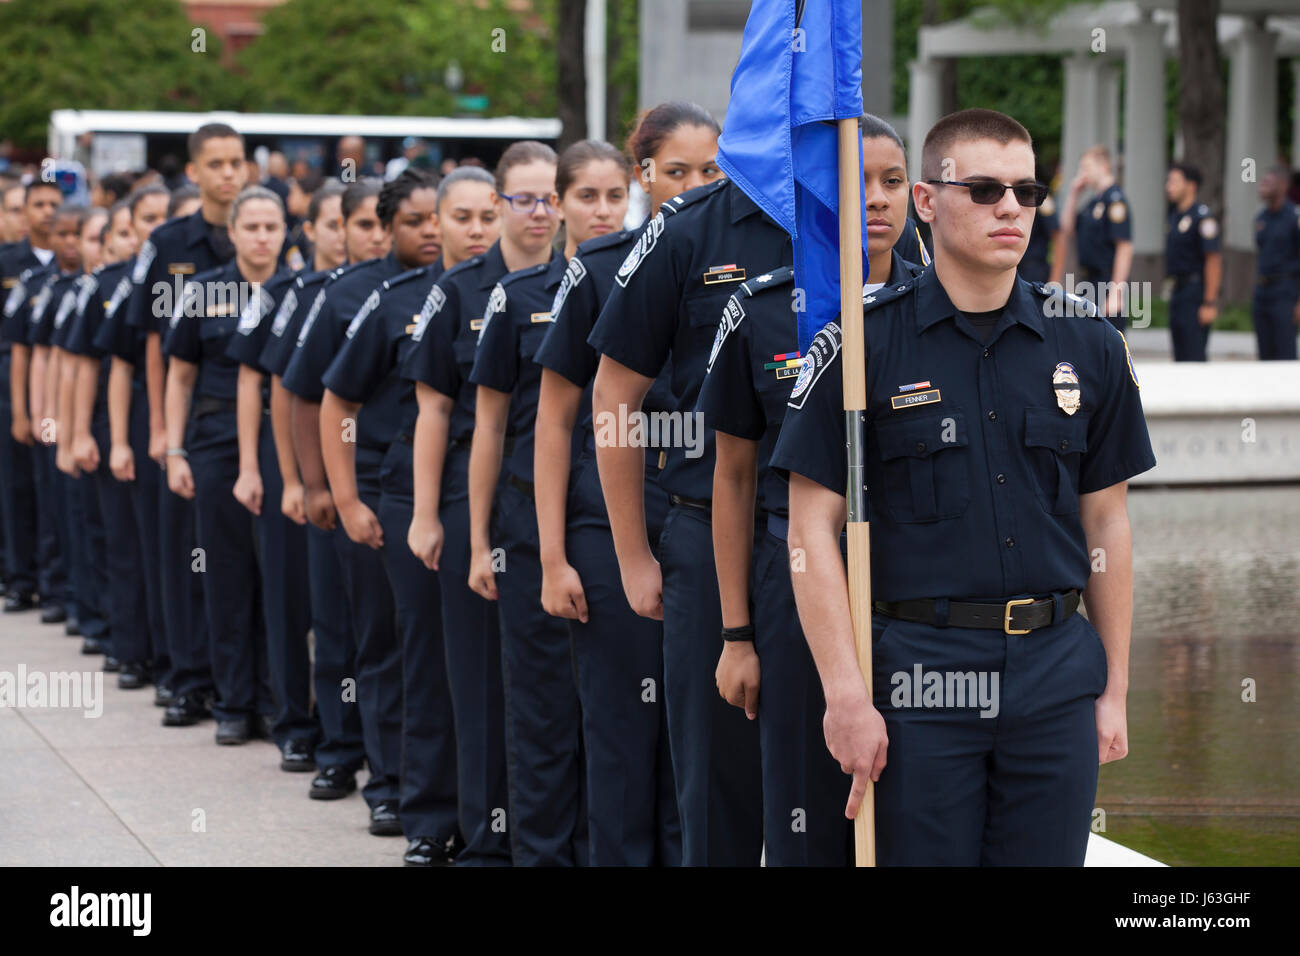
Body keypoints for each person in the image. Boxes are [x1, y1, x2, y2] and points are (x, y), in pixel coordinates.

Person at [772, 108, 1154, 866]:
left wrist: (1113, 688)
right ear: (924, 200)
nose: (1010, 208)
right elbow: (809, 530)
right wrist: (847, 694)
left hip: (1054, 677)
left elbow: (1107, 527)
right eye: (982, 189)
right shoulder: (859, 345)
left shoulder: (1088, 343)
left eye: (1026, 191)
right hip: (921, 678)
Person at [696, 116, 928, 867]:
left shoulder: (943, 311)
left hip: (918, 589)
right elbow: (731, 480)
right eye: (855, 182)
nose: (877, 199)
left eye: (892, 180)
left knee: (918, 807)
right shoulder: (763, 311)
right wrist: (736, 635)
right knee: (807, 808)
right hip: (795, 581)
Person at [588, 119, 795, 867]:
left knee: (841, 775)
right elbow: (615, 394)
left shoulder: (860, 223)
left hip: (833, 541)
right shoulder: (688, 230)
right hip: (710, 536)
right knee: (716, 786)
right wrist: (634, 553)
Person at [533, 103, 722, 865]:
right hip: (615, 531)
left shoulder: (746, 266)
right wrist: (551, 557)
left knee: (699, 748)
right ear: (643, 176)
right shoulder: (605, 267)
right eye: (675, 171)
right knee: (619, 739)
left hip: (710, 529)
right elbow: (555, 422)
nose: (693, 186)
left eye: (710, 170)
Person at [322, 166, 497, 866]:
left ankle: (496, 818)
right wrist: (344, 499)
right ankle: (425, 813)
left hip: (502, 500)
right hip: (417, 499)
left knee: (493, 670)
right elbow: (334, 400)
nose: (464, 230)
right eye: (450, 218)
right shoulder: (398, 302)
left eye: (487, 215)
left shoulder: (536, 292)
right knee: (423, 660)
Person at [400, 143, 563, 865]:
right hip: (476, 491)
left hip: (551, 499)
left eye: (549, 196)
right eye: (524, 198)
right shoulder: (462, 289)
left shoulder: (587, 282)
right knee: (474, 675)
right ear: (500, 203)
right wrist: (427, 513)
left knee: (540, 686)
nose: (540, 211)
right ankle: (477, 833)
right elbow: (435, 411)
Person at [468, 141, 628, 867]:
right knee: (540, 716)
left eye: (615, 196)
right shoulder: (521, 294)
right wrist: (479, 541)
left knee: (613, 724)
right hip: (534, 531)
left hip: (614, 532)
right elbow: (491, 428)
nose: (602, 211)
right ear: (557, 204)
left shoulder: (648, 290)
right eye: (586, 197)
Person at [283, 177, 407, 836]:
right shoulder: (345, 297)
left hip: (428, 489)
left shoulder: (455, 288)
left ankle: (412, 776)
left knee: (407, 648)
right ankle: (359, 762)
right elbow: (305, 395)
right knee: (358, 634)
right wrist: (318, 484)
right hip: (360, 480)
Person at [256, 180, 376, 804]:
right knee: (333, 622)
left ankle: (391, 764)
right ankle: (336, 747)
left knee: (388, 639)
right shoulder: (321, 297)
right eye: (351, 224)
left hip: (399, 481)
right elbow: (293, 393)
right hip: (338, 479)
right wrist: (308, 482)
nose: (370, 236)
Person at [128, 123, 246, 729]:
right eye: (217, 163)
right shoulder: (170, 242)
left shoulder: (265, 232)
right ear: (195, 172)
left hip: (251, 426)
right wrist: (159, 432)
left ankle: (246, 686)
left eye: (237, 162)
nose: (229, 173)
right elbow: (155, 345)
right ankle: (187, 678)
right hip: (194, 422)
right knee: (189, 556)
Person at [162, 185, 288, 746]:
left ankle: (278, 702)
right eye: (252, 227)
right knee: (227, 572)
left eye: (272, 227)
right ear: (231, 233)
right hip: (215, 442)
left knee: (281, 579)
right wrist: (173, 449)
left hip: (281, 439)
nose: (263, 237)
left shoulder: (300, 290)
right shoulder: (203, 293)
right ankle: (234, 701)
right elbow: (181, 374)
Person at [65, 202, 150, 681]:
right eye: (119, 232)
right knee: (119, 538)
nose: (129, 239)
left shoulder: (174, 282)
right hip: (108, 419)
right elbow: (80, 364)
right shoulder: (103, 286)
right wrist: (75, 433)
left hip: (155, 422)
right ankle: (127, 643)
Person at [101, 184, 177, 703]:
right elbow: (120, 365)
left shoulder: (185, 278)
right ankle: (134, 649)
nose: (152, 229)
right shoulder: (130, 287)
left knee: (178, 555)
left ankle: (173, 658)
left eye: (160, 218)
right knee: (138, 544)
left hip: (188, 423)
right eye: (141, 221)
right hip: (145, 418)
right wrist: (126, 439)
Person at [1, 181, 62, 617]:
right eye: (37, 205)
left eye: (53, 205)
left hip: (58, 392)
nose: (45, 212)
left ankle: (51, 576)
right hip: (12, 385)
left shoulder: (68, 265)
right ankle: (20, 577)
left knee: (52, 486)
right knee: (17, 486)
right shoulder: (9, 262)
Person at [1060, 145, 1131, 329]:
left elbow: (1124, 247)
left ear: (1104, 166)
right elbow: (1067, 228)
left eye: (1087, 168)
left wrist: (1116, 292)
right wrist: (1073, 194)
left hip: (1106, 281)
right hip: (1088, 280)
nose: (1083, 173)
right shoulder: (1093, 202)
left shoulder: (1115, 200)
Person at [1164, 163, 1222, 362]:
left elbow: (1213, 260)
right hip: (1178, 291)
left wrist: (1209, 302)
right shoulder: (1175, 216)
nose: (1168, 186)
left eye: (1174, 181)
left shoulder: (1203, 217)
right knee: (1179, 353)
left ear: (1191, 186)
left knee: (1194, 354)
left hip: (1195, 291)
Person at [1251, 164, 1300, 361]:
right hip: (1263, 290)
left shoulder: (1294, 217)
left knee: (1284, 351)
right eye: (1262, 182)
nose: (1262, 187)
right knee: (1265, 352)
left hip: (1286, 290)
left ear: (1283, 186)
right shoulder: (1261, 218)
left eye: (1268, 183)